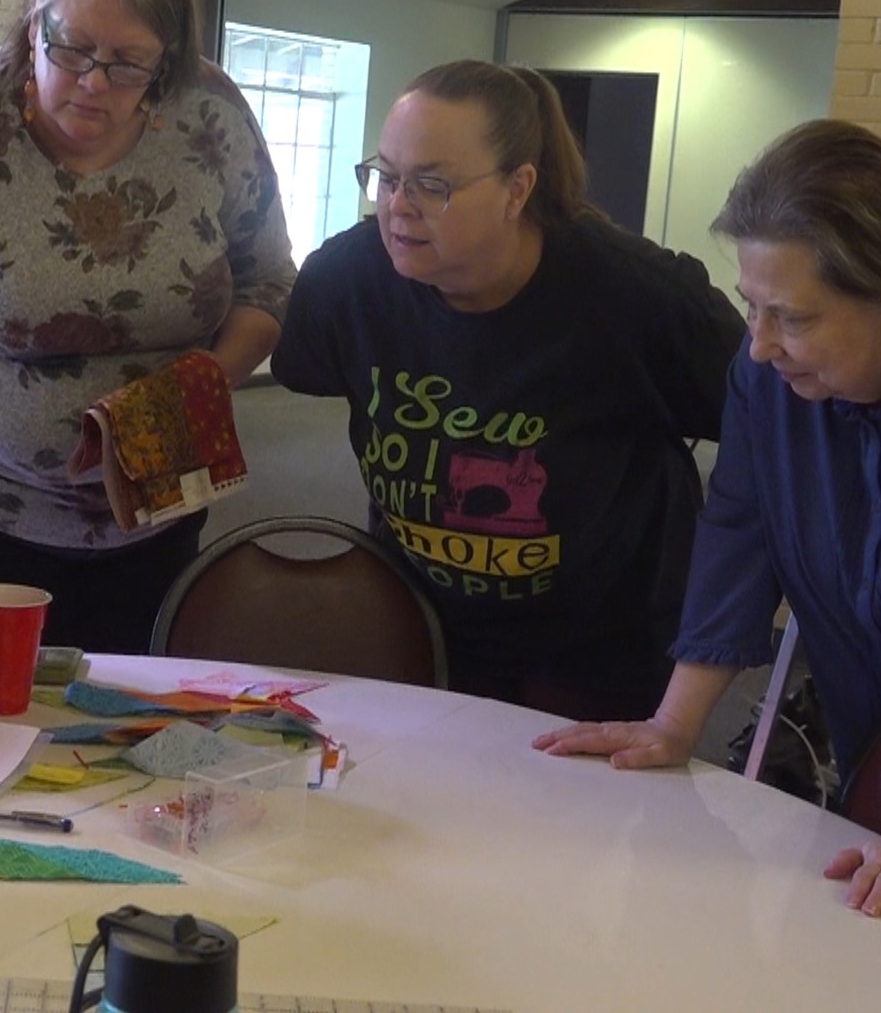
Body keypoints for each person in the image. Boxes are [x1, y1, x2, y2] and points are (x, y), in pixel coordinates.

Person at [535, 120, 881, 923]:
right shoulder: (773, 365)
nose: (760, 346)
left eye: (794, 317)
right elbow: (741, 527)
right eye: (751, 306)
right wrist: (674, 724)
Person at [0, 0, 295, 653]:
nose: (93, 82)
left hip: (161, 492)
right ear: (35, 23)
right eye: (71, 49)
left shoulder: (210, 112)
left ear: (168, 59)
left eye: (127, 64)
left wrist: (204, 381)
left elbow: (268, 278)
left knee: (134, 717)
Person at [271, 60, 745, 722]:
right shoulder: (345, 283)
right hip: (426, 619)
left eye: (432, 185)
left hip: (602, 641)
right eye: (386, 177)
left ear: (518, 188)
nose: (398, 206)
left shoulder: (639, 296)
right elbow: (306, 370)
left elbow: (767, 431)